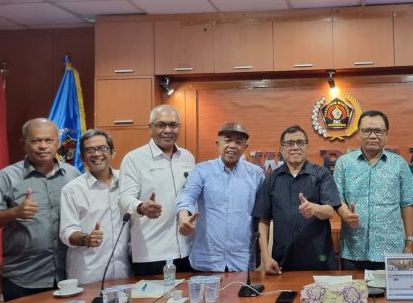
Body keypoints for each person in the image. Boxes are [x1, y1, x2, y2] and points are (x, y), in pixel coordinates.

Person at [0, 118, 80, 301]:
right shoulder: (6, 178)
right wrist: (14, 212)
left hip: (67, 274)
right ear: (23, 144)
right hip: (23, 277)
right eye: (36, 140)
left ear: (58, 143)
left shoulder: (73, 175)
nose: (43, 146)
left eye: (49, 140)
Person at [335, 110, 413, 270]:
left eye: (378, 131)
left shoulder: (399, 164)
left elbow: (407, 204)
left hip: (392, 251)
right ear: (358, 134)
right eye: (367, 131)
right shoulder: (343, 163)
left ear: (386, 135)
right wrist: (345, 214)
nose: (373, 136)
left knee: (392, 295)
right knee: (355, 294)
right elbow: (338, 199)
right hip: (354, 249)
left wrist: (410, 242)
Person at [175, 122, 265, 272]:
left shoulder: (256, 174)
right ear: (218, 144)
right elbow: (187, 195)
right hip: (207, 260)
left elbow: (263, 213)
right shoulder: (201, 170)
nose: (232, 145)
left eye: (238, 142)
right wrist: (183, 217)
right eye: (228, 140)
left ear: (245, 148)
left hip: (242, 261)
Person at [252, 125, 341, 273]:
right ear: (281, 149)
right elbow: (263, 220)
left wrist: (315, 209)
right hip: (282, 262)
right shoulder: (271, 179)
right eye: (289, 143)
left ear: (307, 147)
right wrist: (265, 258)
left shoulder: (322, 174)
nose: (295, 147)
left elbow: (330, 211)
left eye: (300, 143)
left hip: (319, 260)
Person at [118, 105, 195, 275]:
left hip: (186, 250)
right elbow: (124, 197)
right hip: (151, 253)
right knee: (152, 301)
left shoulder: (187, 157)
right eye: (161, 125)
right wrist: (141, 207)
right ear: (150, 128)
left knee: (186, 300)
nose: (168, 130)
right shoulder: (134, 159)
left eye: (173, 125)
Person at [59, 129, 132, 285]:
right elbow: (67, 232)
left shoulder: (128, 182)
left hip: (125, 272)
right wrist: (86, 238)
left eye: (102, 148)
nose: (96, 154)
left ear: (113, 152)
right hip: (88, 274)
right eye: (89, 150)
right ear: (82, 157)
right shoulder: (72, 190)